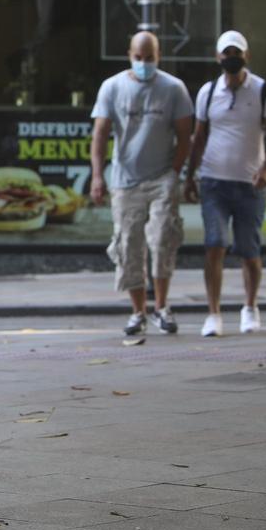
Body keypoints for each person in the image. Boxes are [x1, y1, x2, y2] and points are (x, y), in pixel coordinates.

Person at [90, 31, 194, 336]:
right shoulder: (112, 87)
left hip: (162, 175)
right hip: (125, 180)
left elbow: (185, 136)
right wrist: (98, 176)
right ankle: (138, 312)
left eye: (150, 58)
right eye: (138, 58)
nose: (144, 64)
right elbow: (99, 135)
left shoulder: (174, 89)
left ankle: (162, 306)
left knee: (163, 239)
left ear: (159, 56)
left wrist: (175, 173)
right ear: (129, 55)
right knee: (129, 245)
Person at [185, 30, 266, 336]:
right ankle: (213, 314)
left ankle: (250, 307)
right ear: (218, 57)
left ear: (247, 56)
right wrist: (189, 175)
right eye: (226, 53)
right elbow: (198, 137)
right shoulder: (208, 92)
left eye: (236, 53)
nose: (231, 58)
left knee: (249, 251)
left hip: (249, 184)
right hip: (214, 181)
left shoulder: (263, 91)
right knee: (215, 244)